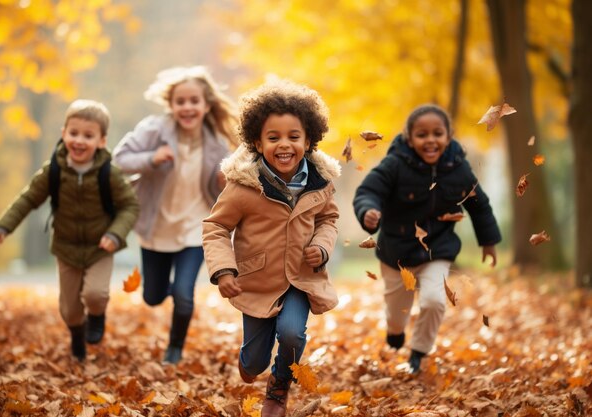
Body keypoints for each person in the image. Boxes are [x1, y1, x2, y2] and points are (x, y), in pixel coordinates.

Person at [202, 80, 341, 417]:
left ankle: (278, 388)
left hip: (301, 278)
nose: (284, 145)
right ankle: (254, 364)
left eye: (294, 137)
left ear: (308, 141)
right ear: (256, 141)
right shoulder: (244, 186)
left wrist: (322, 247)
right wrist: (224, 270)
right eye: (273, 137)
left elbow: (329, 219)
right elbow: (216, 227)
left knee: (292, 334)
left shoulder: (319, 183)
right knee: (254, 360)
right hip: (257, 280)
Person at [352, 104, 501, 374]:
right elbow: (368, 191)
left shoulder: (459, 168)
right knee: (397, 311)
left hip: (437, 250)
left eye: (437, 133)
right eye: (422, 134)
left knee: (434, 300)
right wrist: (368, 211)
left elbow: (479, 205)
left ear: (448, 135)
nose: (430, 140)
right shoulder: (395, 164)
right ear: (410, 138)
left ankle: (418, 353)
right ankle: (395, 332)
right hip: (396, 252)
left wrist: (488, 241)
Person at [0, 99, 140, 362]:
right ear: (63, 134)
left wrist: (115, 234)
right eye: (74, 133)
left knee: (96, 294)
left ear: (101, 141)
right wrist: (4, 226)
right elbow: (27, 199)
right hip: (66, 248)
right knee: (69, 310)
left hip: (101, 247)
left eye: (88, 135)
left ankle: (96, 316)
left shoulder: (108, 173)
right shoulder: (54, 171)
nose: (79, 141)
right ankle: (77, 334)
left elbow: (130, 206)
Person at [112, 66, 239, 364]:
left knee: (184, 293)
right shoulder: (154, 130)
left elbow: (229, 185)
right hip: (157, 226)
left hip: (196, 226)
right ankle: (162, 291)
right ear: (171, 105)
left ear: (206, 105)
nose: (187, 107)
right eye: (180, 101)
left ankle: (174, 351)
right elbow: (120, 159)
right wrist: (151, 158)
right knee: (153, 296)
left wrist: (223, 181)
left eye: (194, 101)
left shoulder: (216, 144)